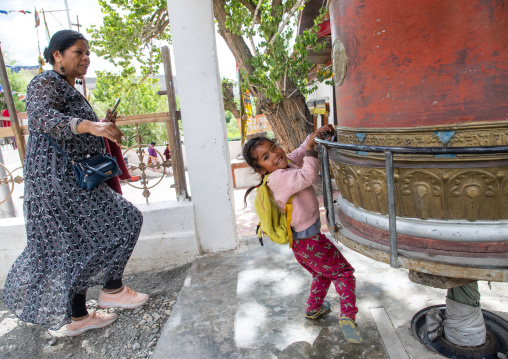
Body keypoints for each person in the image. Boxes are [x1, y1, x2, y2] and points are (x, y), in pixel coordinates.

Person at [2, 30, 148, 337]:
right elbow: (41, 118)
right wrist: (89, 125)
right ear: (57, 55)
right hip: (57, 180)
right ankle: (112, 288)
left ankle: (77, 317)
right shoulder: (45, 81)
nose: (86, 58)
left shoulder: (68, 87)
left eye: (88, 53)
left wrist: (100, 126)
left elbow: (74, 130)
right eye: (78, 52)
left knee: (75, 246)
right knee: (127, 219)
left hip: (68, 180)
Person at [242, 124, 363, 344]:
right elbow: (308, 175)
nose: (276, 154)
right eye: (266, 156)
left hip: (302, 244)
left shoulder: (283, 164)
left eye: (274, 147)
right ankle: (348, 316)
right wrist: (311, 151)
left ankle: (313, 309)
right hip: (310, 241)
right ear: (260, 169)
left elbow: (298, 151)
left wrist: (313, 136)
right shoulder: (278, 178)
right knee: (343, 273)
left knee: (322, 273)